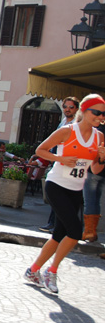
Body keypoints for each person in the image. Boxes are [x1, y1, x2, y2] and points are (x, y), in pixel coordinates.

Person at [24, 94, 105, 294]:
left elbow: (94, 170)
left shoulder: (99, 137)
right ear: (84, 111)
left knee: (59, 235)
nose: (100, 116)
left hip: (76, 190)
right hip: (56, 186)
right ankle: (52, 271)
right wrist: (60, 158)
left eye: (103, 114)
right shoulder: (67, 131)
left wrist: (102, 159)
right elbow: (40, 150)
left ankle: (33, 270)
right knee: (76, 231)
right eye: (96, 112)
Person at [40, 96, 80, 233]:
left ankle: (59, 226)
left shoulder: (76, 124)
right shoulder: (63, 121)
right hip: (57, 161)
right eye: (65, 107)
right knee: (56, 196)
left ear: (77, 109)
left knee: (63, 198)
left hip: (68, 164)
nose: (67, 109)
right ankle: (53, 224)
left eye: (71, 107)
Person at [82, 121, 105, 242]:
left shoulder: (98, 131)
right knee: (95, 201)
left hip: (94, 169)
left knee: (91, 201)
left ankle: (90, 231)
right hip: (98, 170)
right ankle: (91, 231)